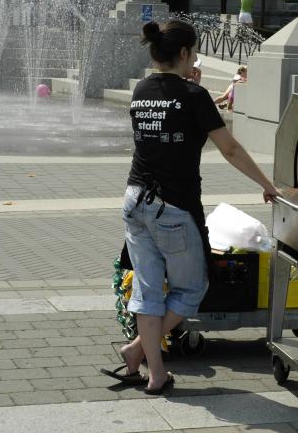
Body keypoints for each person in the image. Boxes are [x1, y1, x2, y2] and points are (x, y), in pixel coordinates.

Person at [111, 20, 278, 394]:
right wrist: (267, 185)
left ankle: (151, 368)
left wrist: (192, 88)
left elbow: (169, 135)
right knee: (193, 287)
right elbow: (229, 148)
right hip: (171, 207)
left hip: (134, 200)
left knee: (149, 290)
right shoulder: (193, 97)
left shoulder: (141, 90)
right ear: (185, 53)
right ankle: (140, 351)